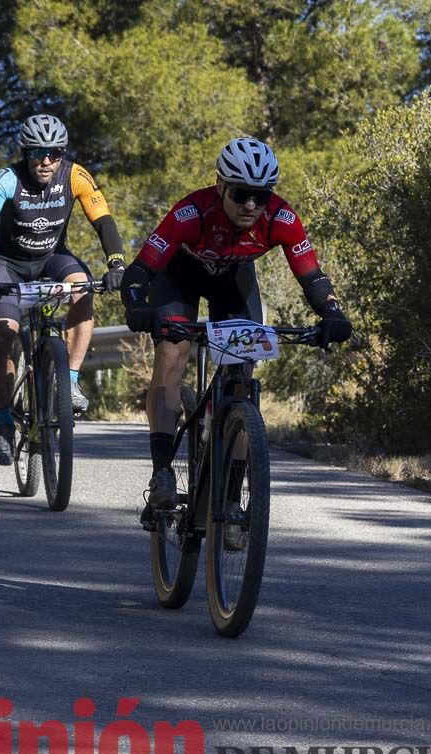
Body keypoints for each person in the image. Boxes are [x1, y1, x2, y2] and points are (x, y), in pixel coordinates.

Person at [121, 136, 353, 517]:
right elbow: (141, 270)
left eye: (260, 197)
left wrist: (332, 313)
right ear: (220, 186)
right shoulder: (190, 213)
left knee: (242, 381)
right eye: (242, 194)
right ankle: (162, 471)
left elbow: (312, 278)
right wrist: (137, 306)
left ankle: (230, 498)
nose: (251, 206)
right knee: (172, 353)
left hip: (233, 283)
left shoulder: (281, 218)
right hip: (179, 279)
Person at [0, 113, 128, 466]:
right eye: (36, 152)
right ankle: (4, 422)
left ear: (63, 152)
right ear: (25, 152)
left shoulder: (75, 175)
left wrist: (117, 264)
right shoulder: (7, 179)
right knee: (2, 339)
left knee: (82, 287)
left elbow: (104, 221)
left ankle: (71, 380)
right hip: (9, 265)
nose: (46, 161)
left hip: (53, 258)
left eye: (54, 152)